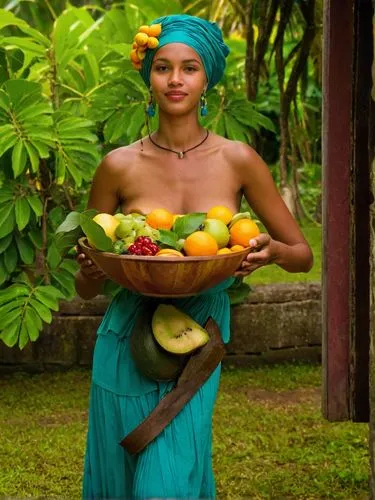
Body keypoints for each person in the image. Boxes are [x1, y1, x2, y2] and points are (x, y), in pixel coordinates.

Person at [76, 14, 313, 499]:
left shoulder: (238, 159)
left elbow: (302, 254)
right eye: (163, 68)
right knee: (120, 480)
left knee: (166, 483)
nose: (176, 79)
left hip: (200, 338)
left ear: (207, 80)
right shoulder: (117, 166)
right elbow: (86, 286)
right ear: (149, 78)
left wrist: (270, 252)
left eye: (190, 68)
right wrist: (91, 266)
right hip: (125, 337)